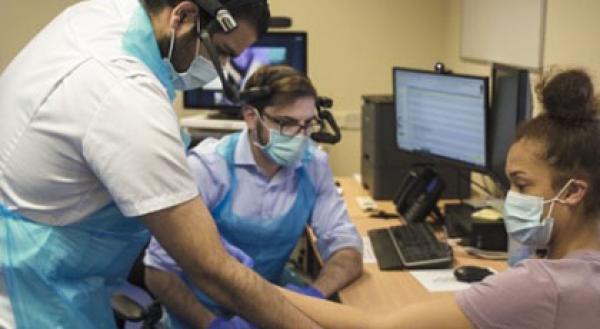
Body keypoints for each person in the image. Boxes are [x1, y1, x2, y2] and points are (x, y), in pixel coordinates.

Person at [0, 0, 321, 328]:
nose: (222, 68)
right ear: (183, 16)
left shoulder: (105, 16)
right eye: (221, 52)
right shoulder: (124, 94)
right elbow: (211, 271)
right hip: (31, 296)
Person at [278, 69, 600, 329]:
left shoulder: (541, 286)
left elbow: (377, 326)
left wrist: (252, 287)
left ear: (573, 191)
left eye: (522, 185)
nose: (511, 199)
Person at [144, 65, 364, 328]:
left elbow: (346, 249)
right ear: (251, 116)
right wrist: (212, 324)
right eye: (287, 124)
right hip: (201, 312)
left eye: (308, 125)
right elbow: (157, 273)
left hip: (271, 306)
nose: (300, 137)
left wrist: (315, 294)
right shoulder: (209, 168)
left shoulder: (313, 165)